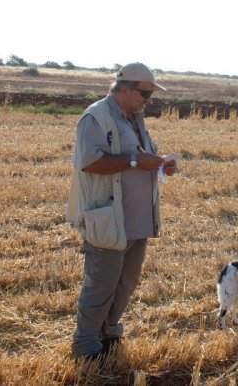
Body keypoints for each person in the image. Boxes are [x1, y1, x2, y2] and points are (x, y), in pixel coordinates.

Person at [66, 62, 176, 361]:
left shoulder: (136, 118)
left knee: (125, 283)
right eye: (144, 93)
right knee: (101, 284)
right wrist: (134, 161)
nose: (147, 100)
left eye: (150, 95)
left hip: (137, 220)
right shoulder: (95, 117)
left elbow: (142, 156)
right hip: (107, 218)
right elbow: (89, 163)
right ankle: (86, 344)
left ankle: (108, 333)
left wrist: (162, 163)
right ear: (124, 88)